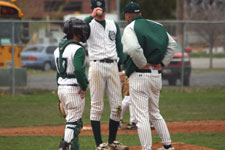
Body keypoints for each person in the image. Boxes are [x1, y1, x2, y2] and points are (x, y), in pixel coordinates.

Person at [121, 2, 177, 150]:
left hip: (140, 75)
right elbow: (172, 45)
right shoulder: (157, 25)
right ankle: (168, 146)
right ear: (140, 13)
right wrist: (163, 63)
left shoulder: (130, 27)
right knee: (155, 113)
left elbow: (133, 48)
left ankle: (146, 148)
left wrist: (141, 63)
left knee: (141, 117)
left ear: (127, 16)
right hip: (155, 75)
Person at [84, 0, 128, 150]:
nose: (100, 11)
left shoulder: (113, 24)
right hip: (96, 65)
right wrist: (91, 16)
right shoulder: (88, 24)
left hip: (113, 66)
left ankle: (112, 141)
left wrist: (122, 69)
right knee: (97, 106)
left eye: (102, 8)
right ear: (92, 9)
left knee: (117, 105)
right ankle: (99, 144)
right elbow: (80, 30)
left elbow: (119, 47)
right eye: (97, 9)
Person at [54, 18, 89, 150]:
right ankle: (65, 147)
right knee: (73, 122)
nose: (83, 32)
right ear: (75, 32)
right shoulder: (78, 49)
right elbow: (79, 70)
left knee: (76, 123)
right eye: (81, 29)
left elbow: (58, 73)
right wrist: (84, 86)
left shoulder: (58, 49)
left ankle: (71, 147)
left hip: (62, 87)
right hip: (74, 88)